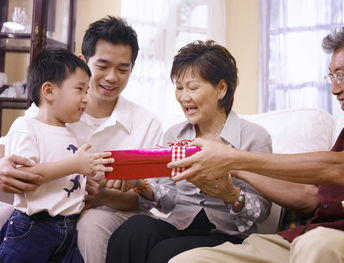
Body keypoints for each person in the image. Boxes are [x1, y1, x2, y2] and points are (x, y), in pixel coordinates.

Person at [168, 27, 344, 263]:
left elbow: (341, 168)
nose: (335, 89)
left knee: (317, 244)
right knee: (185, 260)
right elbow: (311, 198)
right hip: (300, 237)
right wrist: (234, 168)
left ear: (222, 89)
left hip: (326, 242)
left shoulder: (253, 135)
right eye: (332, 77)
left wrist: (231, 159)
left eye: (343, 75)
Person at [0, 16, 163, 263]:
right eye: (103, 66)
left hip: (99, 214)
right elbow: (11, 158)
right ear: (83, 61)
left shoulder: (146, 123)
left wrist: (104, 196)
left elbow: (148, 200)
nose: (112, 77)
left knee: (91, 224)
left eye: (122, 69)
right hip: (42, 216)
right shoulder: (46, 111)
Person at [105, 40, 272, 263]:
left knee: (163, 254)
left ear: (221, 89)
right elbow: (170, 200)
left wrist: (229, 193)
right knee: (133, 230)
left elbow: (261, 211)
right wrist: (140, 183)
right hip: (179, 226)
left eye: (192, 88)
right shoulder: (174, 135)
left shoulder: (254, 137)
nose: (183, 97)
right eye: (179, 87)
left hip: (227, 237)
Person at [0, 47, 113, 262]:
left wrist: (91, 177)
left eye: (87, 91)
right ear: (49, 91)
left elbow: (70, 176)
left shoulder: (72, 133)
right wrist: (75, 166)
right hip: (33, 228)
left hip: (69, 229)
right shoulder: (26, 126)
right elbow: (26, 175)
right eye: (80, 89)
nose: (86, 99)